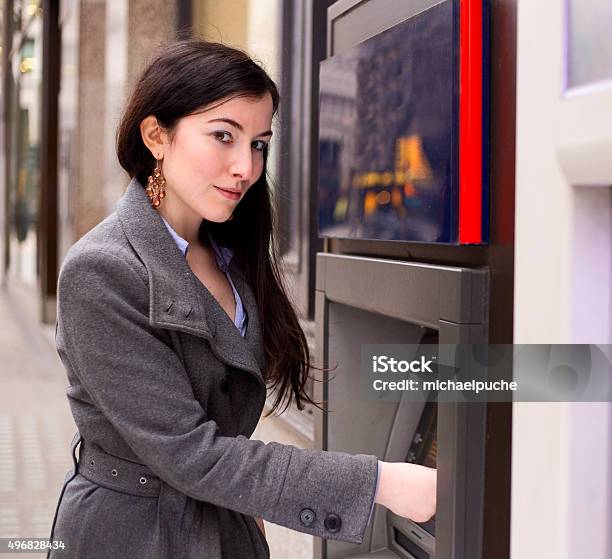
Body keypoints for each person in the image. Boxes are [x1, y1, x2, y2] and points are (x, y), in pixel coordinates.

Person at [47, 39, 436, 559]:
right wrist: (380, 482)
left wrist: (242, 499)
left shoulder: (230, 250)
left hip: (220, 524)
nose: (246, 168)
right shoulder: (102, 271)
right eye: (223, 136)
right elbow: (191, 454)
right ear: (156, 135)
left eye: (258, 143)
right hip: (133, 537)